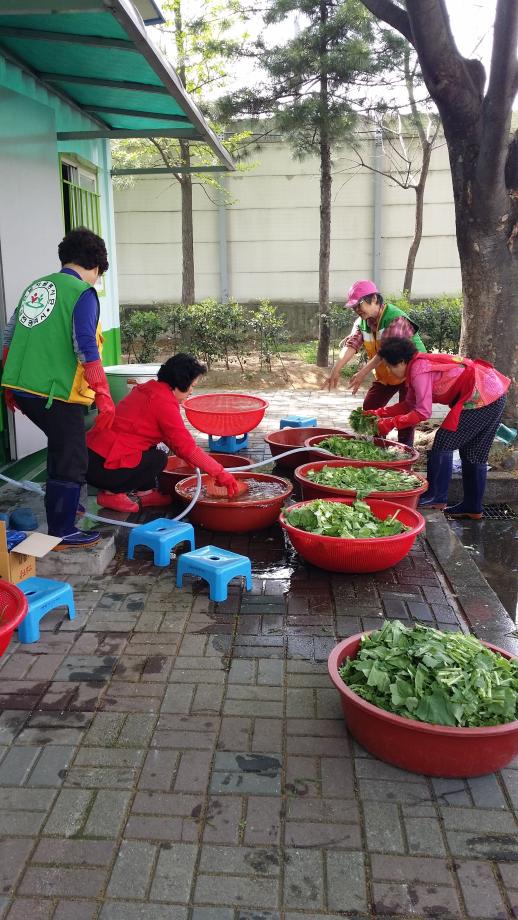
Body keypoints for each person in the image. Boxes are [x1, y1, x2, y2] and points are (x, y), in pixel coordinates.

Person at [1, 227, 115, 549]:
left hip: (24, 390)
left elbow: (8, 337)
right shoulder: (82, 293)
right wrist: (104, 396)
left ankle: (64, 507)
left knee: (60, 446)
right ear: (96, 266)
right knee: (72, 457)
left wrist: (9, 385)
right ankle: (62, 529)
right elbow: (86, 348)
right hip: (56, 393)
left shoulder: (35, 288)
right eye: (99, 274)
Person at [364, 337, 510, 519]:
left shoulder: (418, 370)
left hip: (483, 395)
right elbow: (409, 404)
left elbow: (423, 412)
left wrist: (390, 423)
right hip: (492, 393)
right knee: (474, 452)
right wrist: (378, 413)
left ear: (401, 362)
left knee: (444, 441)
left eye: (389, 366)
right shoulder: (416, 366)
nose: (388, 370)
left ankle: (435, 497)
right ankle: (472, 507)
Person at [86, 353, 239, 511]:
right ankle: (111, 495)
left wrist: (190, 457)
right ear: (181, 382)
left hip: (90, 457)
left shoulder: (149, 389)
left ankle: (145, 494)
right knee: (157, 459)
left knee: (150, 448)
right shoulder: (163, 402)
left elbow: (171, 437)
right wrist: (221, 473)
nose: (192, 391)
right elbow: (187, 447)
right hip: (101, 467)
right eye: (192, 386)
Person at [324, 280, 426, 445]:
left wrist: (362, 373)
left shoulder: (396, 319)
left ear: (374, 300)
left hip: (411, 372)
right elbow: (352, 344)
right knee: (370, 406)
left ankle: (405, 453)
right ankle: (378, 447)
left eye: (359, 305)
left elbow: (384, 353)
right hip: (388, 373)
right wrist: (336, 369)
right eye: (354, 307)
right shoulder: (362, 322)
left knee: (407, 415)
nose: (357, 310)